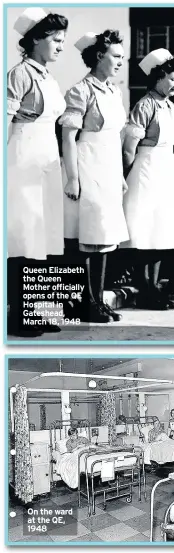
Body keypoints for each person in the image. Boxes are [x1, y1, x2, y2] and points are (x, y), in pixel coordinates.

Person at [60, 30, 129, 323]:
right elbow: (68, 136)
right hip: (87, 163)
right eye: (115, 56)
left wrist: (121, 176)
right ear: (99, 56)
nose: (120, 62)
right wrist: (73, 178)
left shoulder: (114, 91)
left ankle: (97, 301)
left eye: (122, 58)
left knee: (105, 236)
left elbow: (116, 136)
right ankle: (84, 303)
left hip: (109, 166)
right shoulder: (80, 90)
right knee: (88, 236)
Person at [7, 8, 68, 336]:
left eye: (63, 40)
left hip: (46, 156)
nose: (60, 46)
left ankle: (40, 312)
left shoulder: (49, 76)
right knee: (24, 238)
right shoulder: (19, 74)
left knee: (44, 239)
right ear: (34, 40)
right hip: (23, 155)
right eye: (55, 40)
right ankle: (19, 316)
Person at [122, 49, 174, 309]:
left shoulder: (170, 106)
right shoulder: (145, 105)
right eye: (172, 79)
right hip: (145, 170)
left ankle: (154, 288)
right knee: (143, 233)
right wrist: (128, 176)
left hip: (164, 170)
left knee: (160, 233)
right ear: (159, 77)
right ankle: (145, 290)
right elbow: (129, 147)